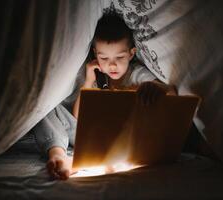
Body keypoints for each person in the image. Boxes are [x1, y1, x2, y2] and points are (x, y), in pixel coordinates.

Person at [34, 12, 177, 180]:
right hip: (93, 135)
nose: (112, 64)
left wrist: (156, 87)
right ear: (95, 55)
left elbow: (171, 92)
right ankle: (58, 155)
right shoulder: (96, 76)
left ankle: (91, 159)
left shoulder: (136, 74)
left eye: (119, 57)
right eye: (104, 58)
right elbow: (77, 117)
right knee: (45, 106)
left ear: (131, 54)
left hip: (124, 137)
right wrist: (88, 82)